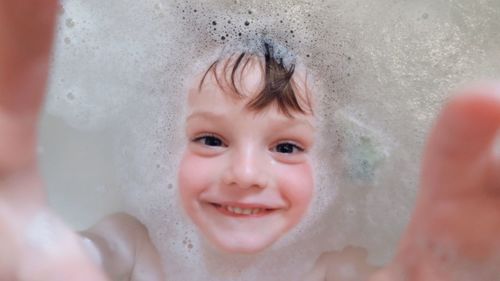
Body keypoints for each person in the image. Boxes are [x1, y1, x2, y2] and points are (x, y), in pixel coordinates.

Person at [1, 1, 499, 280]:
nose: (244, 174)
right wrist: (24, 247)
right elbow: (74, 259)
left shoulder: (333, 272)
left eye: (286, 147)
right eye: (210, 139)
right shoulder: (131, 247)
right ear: (161, 144)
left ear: (332, 161)